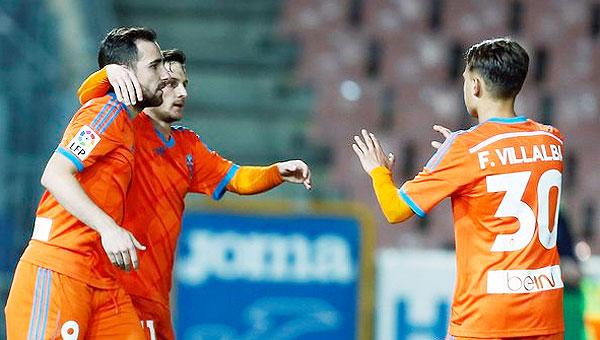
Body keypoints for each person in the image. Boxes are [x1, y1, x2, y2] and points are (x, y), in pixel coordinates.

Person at [77, 48, 312, 339]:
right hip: (118, 292)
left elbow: (237, 178)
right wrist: (108, 74)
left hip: (157, 298)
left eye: (185, 85)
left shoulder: (188, 147)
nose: (182, 93)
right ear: (149, 84)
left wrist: (276, 172)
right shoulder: (125, 125)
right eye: (171, 84)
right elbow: (89, 98)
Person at [352, 38, 564, 339]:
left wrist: (378, 172)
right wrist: (463, 153)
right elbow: (509, 161)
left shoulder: (466, 148)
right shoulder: (552, 140)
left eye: (465, 79)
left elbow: (395, 210)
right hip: (545, 314)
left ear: (475, 85)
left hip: (486, 317)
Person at [4, 27, 169, 339]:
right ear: (126, 75)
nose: (164, 73)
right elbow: (54, 173)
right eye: (155, 65)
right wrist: (109, 228)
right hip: (59, 271)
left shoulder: (128, 125)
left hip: (102, 279)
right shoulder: (106, 112)